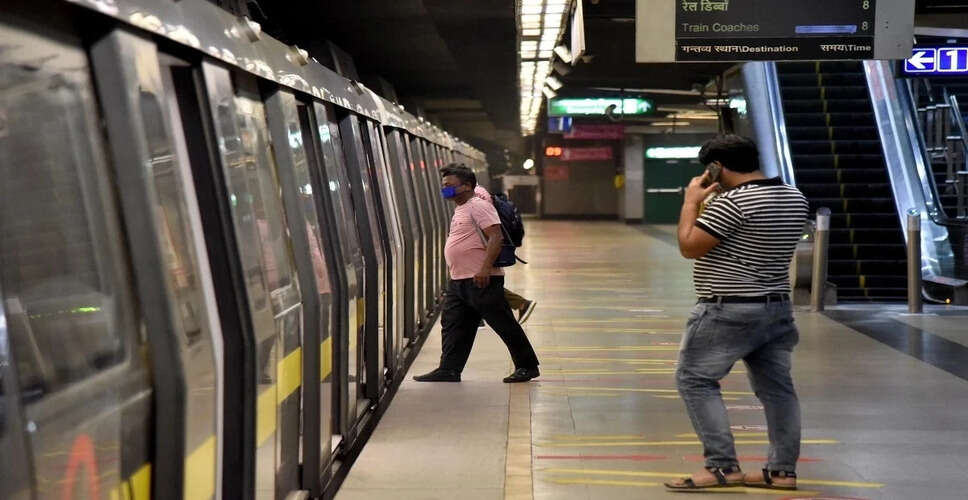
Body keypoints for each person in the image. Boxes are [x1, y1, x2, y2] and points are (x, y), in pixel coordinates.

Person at [664, 135, 809, 491]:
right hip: (776, 307)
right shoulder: (795, 197)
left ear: (717, 167)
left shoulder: (732, 203)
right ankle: (782, 471)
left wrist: (690, 202)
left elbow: (689, 246)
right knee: (777, 389)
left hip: (729, 308)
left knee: (695, 380)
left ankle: (721, 466)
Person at [413, 164, 540, 383]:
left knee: (503, 322)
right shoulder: (461, 207)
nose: (445, 190)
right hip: (460, 279)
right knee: (453, 324)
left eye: (450, 186)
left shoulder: (478, 206)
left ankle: (527, 366)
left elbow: (495, 237)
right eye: (444, 186)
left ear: (468, 186)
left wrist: (484, 269)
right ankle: (449, 369)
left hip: (481, 279)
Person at [473, 184, 537, 325]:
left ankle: (520, 303)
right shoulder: (481, 192)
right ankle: (518, 305)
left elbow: (488, 228)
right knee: (477, 285)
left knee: (478, 285)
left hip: (483, 249)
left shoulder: (477, 196)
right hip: (483, 249)